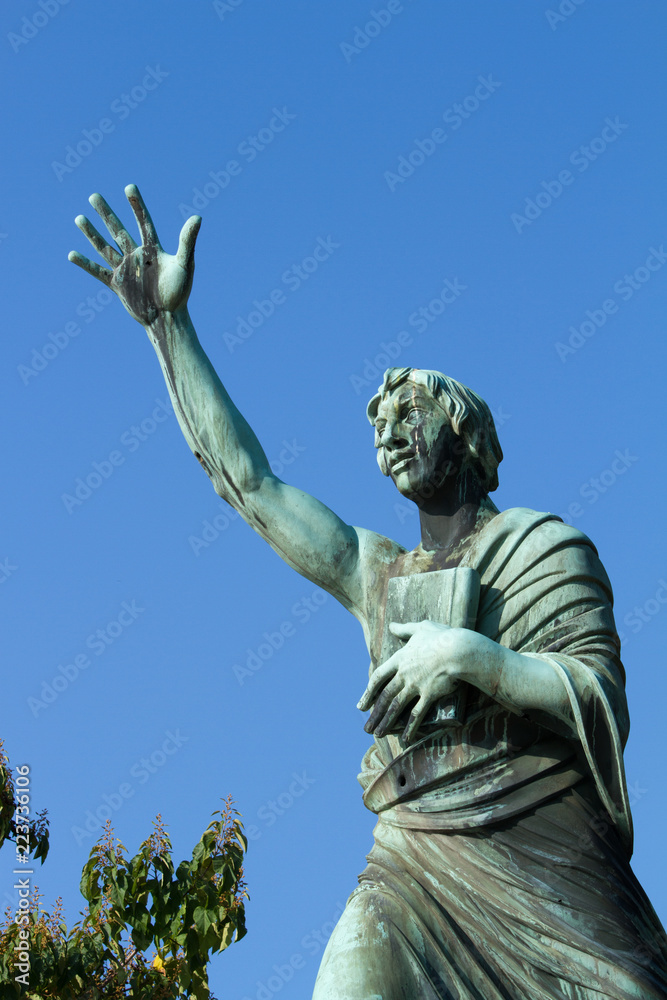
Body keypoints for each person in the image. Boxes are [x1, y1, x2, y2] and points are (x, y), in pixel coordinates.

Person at [69, 186, 667, 999]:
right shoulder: (376, 575)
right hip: (413, 863)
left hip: (548, 869)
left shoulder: (542, 548)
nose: (388, 430)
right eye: (379, 423)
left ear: (464, 432)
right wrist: (168, 328)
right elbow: (248, 484)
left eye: (408, 410)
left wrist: (473, 658)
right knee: (350, 978)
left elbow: (596, 695)